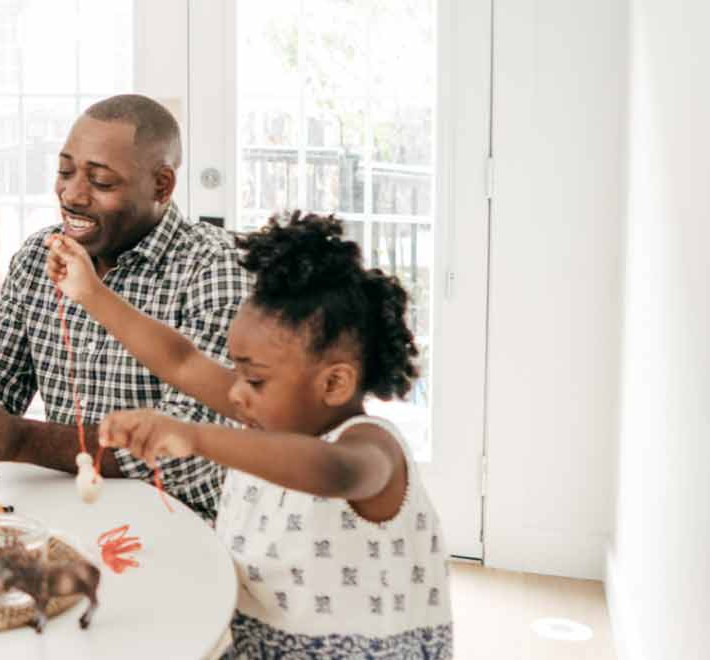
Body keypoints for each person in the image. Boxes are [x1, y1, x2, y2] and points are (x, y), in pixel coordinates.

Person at [47, 212, 452, 658]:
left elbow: (329, 471)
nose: (235, 392)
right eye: (236, 370)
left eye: (255, 379)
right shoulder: (265, 414)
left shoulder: (371, 448)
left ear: (334, 384)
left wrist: (194, 436)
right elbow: (182, 361)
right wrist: (91, 293)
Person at [0, 94, 248, 520]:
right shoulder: (39, 257)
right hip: (72, 514)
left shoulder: (216, 268)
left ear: (161, 186)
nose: (72, 195)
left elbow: (189, 452)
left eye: (101, 182)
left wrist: (22, 441)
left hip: (181, 527)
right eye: (64, 171)